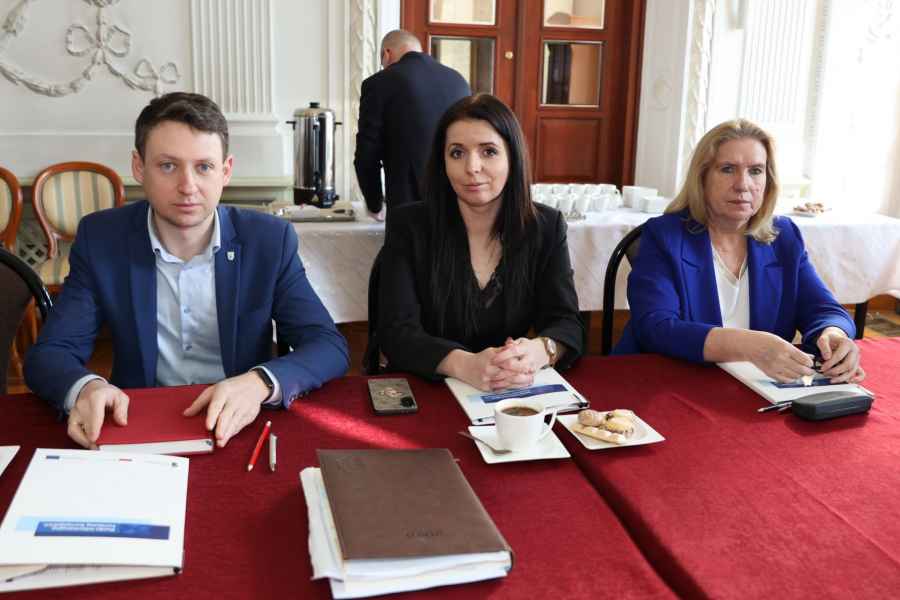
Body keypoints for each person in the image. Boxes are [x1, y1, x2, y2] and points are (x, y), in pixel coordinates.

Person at [25, 92, 349, 448]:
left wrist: (260, 382)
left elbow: (327, 344)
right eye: (168, 166)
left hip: (240, 424)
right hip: (138, 425)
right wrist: (86, 388)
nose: (188, 186)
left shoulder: (269, 240)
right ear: (139, 167)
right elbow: (51, 353)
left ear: (225, 171)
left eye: (204, 167)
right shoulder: (102, 239)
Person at [614, 118, 864, 383]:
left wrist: (833, 334)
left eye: (755, 171)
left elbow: (824, 309)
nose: (743, 184)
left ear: (768, 180)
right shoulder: (664, 235)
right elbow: (656, 327)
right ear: (702, 177)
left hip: (754, 388)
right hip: (667, 382)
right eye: (727, 169)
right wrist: (747, 346)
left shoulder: (783, 236)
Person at [377, 94, 584, 391]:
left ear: (512, 157)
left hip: (510, 393)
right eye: (457, 153)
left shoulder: (545, 227)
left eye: (488, 151)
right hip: (429, 389)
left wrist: (540, 351)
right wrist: (464, 364)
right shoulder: (409, 225)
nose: (472, 167)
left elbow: (567, 323)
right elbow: (396, 331)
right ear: (442, 162)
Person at [354, 29, 470, 220]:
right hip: (457, 205)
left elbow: (367, 153)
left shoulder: (379, 83)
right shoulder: (458, 80)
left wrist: (374, 204)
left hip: (408, 207)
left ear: (386, 54)